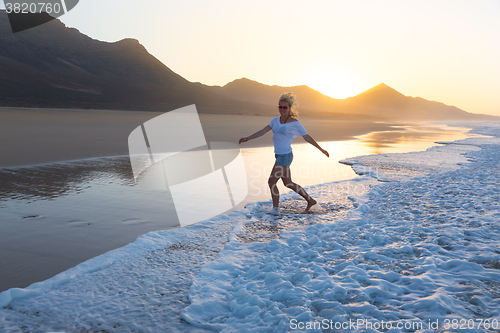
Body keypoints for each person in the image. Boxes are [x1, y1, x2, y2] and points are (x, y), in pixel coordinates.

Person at [239, 92, 329, 215]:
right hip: (279, 155)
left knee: (271, 182)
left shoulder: (294, 123)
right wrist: (247, 138)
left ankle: (275, 210)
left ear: (289, 108)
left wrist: (321, 149)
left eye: (285, 107)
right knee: (288, 183)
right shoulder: (275, 120)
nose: (282, 109)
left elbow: (306, 137)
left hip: (285, 156)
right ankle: (311, 201)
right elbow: (262, 131)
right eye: (280, 107)